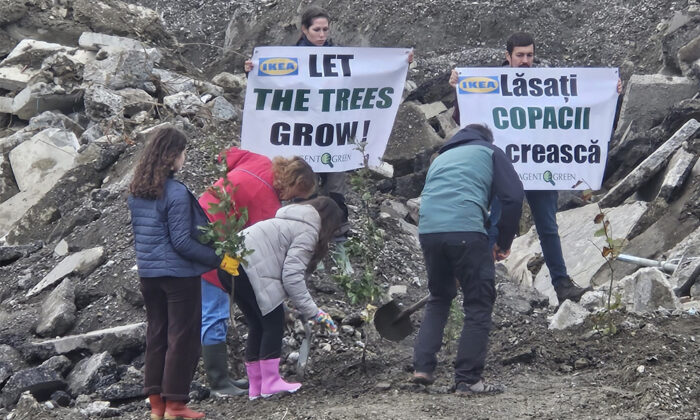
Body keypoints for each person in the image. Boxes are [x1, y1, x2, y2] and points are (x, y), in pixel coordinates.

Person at [449, 32, 622, 304]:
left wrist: (611, 92)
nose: (526, 61)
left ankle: (562, 285)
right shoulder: (490, 82)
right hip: (504, 169)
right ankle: (479, 279)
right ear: (507, 57)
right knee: (494, 222)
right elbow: (467, 119)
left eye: (530, 55)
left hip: (540, 166)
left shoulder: (547, 83)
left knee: (548, 227)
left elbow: (581, 109)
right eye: (520, 55)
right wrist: (459, 90)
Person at [244, 5, 413, 240]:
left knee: (335, 189)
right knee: (304, 188)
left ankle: (337, 234)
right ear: (304, 30)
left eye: (325, 29)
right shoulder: (290, 58)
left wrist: (400, 63)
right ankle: (303, 236)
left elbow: (368, 78)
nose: (322, 35)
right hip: (303, 138)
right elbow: (273, 88)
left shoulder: (342, 57)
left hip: (336, 137)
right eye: (316, 29)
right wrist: (253, 71)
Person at [128, 126, 235, 420]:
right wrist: (218, 259)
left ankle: (157, 406)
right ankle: (176, 405)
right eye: (184, 152)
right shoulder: (175, 192)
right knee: (182, 337)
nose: (185, 158)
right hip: (178, 277)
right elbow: (182, 242)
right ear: (172, 155)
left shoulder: (137, 190)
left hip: (149, 275)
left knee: (157, 334)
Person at [412, 124, 524, 395]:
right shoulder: (490, 152)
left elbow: (448, 198)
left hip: (428, 232)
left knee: (440, 296)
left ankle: (422, 367)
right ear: (487, 138)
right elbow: (513, 197)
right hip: (465, 231)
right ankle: (468, 379)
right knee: (478, 302)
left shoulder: (441, 159)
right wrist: (503, 241)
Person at [197, 147, 316, 397]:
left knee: (231, 314)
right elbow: (263, 254)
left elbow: (225, 155)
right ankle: (220, 383)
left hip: (198, 217)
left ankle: (246, 382)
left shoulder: (259, 160)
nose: (291, 202)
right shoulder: (267, 203)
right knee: (215, 312)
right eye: (296, 196)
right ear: (293, 184)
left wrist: (230, 184)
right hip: (214, 246)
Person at [235, 196, 341, 399]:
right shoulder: (308, 230)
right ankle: (270, 383)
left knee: (258, 324)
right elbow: (292, 278)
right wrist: (315, 312)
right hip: (251, 267)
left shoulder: (291, 218)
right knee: (273, 324)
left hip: (230, 264)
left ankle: (256, 386)